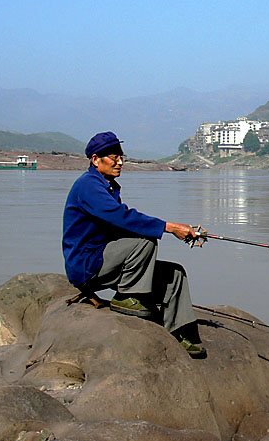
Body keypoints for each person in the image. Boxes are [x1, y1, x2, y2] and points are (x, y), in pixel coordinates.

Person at [62, 131, 205, 356]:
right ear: (95, 159)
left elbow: (122, 222)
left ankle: (179, 332)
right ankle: (128, 297)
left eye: (121, 156)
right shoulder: (88, 186)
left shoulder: (107, 186)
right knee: (144, 240)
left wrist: (184, 232)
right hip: (88, 264)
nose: (120, 162)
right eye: (113, 157)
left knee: (175, 274)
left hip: (107, 260)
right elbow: (121, 218)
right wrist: (170, 227)